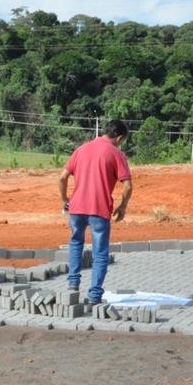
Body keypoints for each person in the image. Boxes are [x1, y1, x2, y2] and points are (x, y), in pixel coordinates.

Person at [58, 119, 132, 305]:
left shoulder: (82, 149)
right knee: (100, 253)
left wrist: (65, 200)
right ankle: (94, 296)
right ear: (120, 137)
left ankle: (73, 284)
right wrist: (122, 207)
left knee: (76, 242)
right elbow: (128, 186)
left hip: (77, 208)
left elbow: (62, 177)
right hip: (99, 209)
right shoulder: (116, 153)